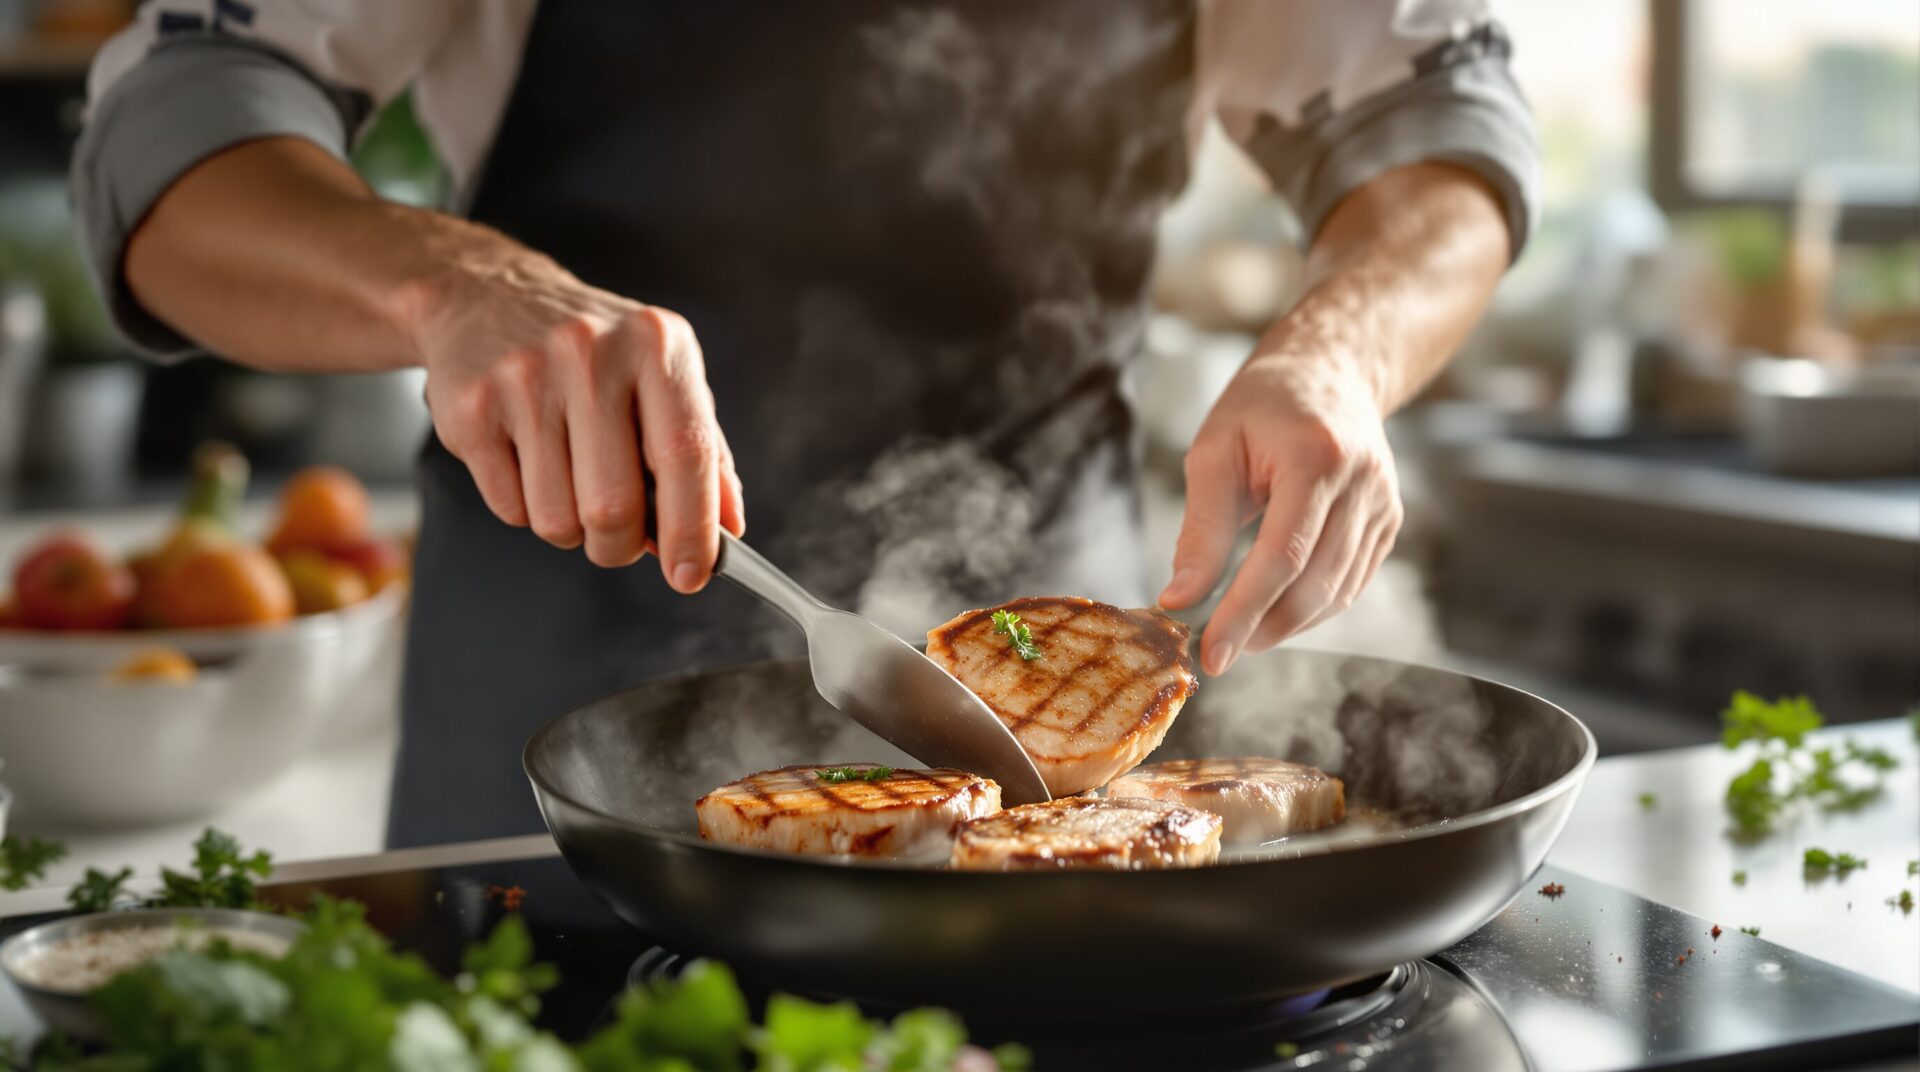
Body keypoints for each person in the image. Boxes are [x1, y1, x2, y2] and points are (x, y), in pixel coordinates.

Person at [72, 0, 1536, 848]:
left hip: (1061, 724)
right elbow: (175, 130)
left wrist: (1338, 353)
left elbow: (1437, 124)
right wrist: (451, 283)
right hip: (559, 759)